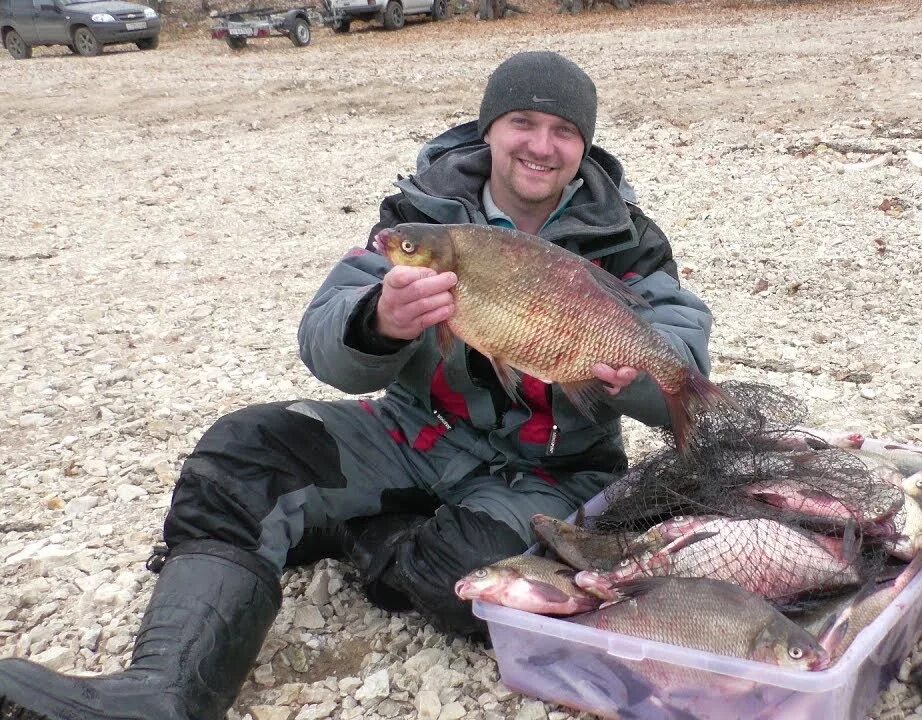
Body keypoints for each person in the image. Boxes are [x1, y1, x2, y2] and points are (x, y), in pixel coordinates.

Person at [0, 50, 715, 720]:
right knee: (245, 450)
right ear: (490, 128)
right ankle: (166, 688)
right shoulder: (421, 218)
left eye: (564, 131)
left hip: (548, 472)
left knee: (467, 584)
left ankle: (358, 531)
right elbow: (324, 340)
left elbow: (681, 356)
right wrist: (379, 322)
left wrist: (632, 383)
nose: (541, 145)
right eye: (522, 122)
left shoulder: (631, 240)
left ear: (584, 148)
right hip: (414, 435)